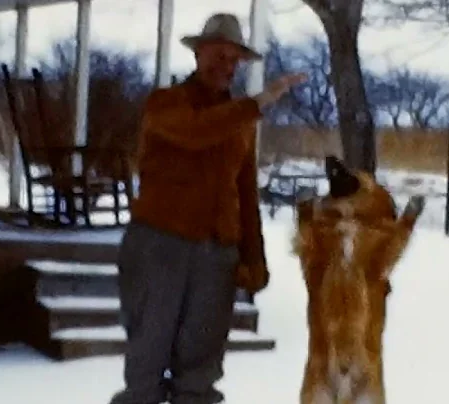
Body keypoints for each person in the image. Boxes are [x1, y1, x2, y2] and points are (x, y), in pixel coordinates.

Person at [110, 12, 306, 404]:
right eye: (219, 56)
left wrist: (254, 256)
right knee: (146, 367)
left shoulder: (240, 122)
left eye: (234, 60)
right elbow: (197, 131)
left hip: (217, 256)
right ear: (198, 54)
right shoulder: (165, 104)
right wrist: (259, 102)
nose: (227, 67)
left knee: (200, 373)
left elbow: (245, 192)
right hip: (159, 247)